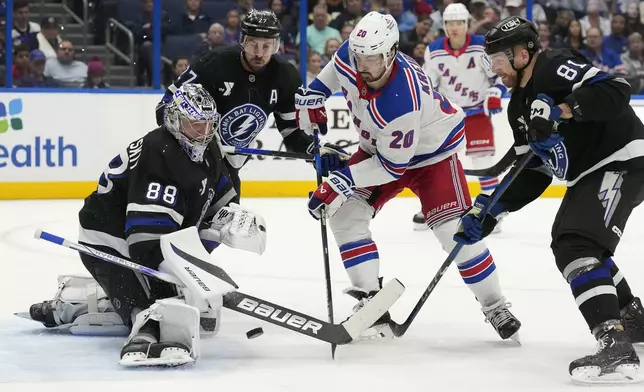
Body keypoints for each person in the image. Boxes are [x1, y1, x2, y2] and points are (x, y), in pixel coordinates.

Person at [295, 11, 521, 340]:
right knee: (345, 216)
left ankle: (495, 305)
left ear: (390, 54)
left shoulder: (401, 97)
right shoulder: (353, 53)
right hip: (380, 150)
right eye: (358, 56)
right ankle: (371, 300)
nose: (361, 65)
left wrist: (342, 179)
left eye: (370, 58)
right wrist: (316, 92)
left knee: (454, 233)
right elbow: (337, 67)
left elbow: (391, 168)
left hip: (433, 157)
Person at [456, 16, 644, 384]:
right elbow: (534, 171)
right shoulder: (517, 108)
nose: (493, 68)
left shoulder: (554, 64)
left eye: (498, 59)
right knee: (569, 238)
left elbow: (616, 88)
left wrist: (561, 110)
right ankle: (630, 316)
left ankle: (614, 339)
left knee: (577, 243)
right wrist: (493, 209)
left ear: (523, 54)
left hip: (622, 158)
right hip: (592, 172)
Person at [25, 84, 268, 366]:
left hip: (149, 236)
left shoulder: (205, 145)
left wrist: (232, 218)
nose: (203, 133)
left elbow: (219, 197)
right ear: (175, 120)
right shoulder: (159, 155)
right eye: (195, 125)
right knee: (152, 310)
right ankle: (87, 311)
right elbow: (146, 245)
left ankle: (95, 303)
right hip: (108, 241)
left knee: (176, 300)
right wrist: (193, 263)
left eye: (208, 125)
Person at [156, 9, 347, 204]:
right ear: (242, 41)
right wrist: (199, 143)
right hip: (187, 164)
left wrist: (313, 151)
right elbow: (165, 106)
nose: (259, 53)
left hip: (228, 172)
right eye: (253, 44)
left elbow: (292, 132)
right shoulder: (214, 63)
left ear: (277, 46)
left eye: (267, 46)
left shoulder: (285, 76)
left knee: (226, 231)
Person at [412, 3, 506, 231]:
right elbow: (427, 84)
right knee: (435, 162)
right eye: (450, 23)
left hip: (476, 112)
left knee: (483, 161)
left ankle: (490, 211)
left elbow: (502, 74)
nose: (455, 28)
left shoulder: (482, 47)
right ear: (444, 26)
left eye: (459, 23)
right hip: (447, 116)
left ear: (467, 24)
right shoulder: (434, 50)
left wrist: (495, 92)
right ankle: (433, 207)